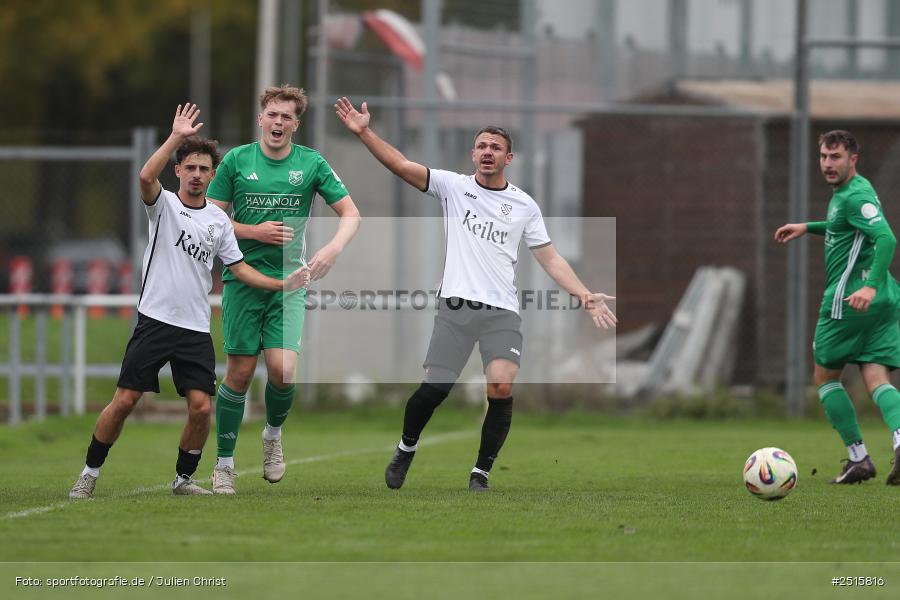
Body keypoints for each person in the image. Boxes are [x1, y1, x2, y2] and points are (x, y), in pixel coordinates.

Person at [334, 96, 617, 491]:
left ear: (508, 158)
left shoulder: (524, 205)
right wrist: (365, 133)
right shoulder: (453, 187)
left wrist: (584, 295)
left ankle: (480, 473)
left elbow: (551, 258)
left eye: (495, 147)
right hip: (455, 307)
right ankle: (406, 447)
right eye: (482, 146)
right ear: (472, 154)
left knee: (500, 386)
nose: (487, 152)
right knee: (435, 389)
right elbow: (401, 165)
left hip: (502, 312)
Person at [68, 104, 310, 499]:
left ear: (213, 176)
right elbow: (145, 176)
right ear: (178, 171)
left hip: (195, 328)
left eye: (204, 169)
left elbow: (240, 269)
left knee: (200, 408)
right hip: (155, 320)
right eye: (190, 167)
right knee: (125, 400)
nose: (197, 174)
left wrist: (282, 283)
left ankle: (183, 479)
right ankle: (89, 473)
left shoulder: (218, 221)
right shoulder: (163, 205)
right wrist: (176, 137)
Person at [206, 85, 360, 494]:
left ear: (296, 124)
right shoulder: (237, 161)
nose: (278, 122)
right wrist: (253, 231)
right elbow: (210, 219)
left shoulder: (311, 163)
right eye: (272, 114)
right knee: (240, 373)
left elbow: (351, 214)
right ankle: (223, 465)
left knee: (283, 370)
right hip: (242, 279)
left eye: (286, 117)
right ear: (261, 118)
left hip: (290, 282)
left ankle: (272, 437)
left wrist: (332, 249)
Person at [775, 129, 900, 485]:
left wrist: (868, 287)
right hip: (885, 301)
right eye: (824, 156)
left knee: (826, 378)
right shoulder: (854, 191)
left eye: (836, 157)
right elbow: (847, 226)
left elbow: (886, 238)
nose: (828, 164)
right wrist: (808, 226)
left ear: (852, 159)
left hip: (850, 300)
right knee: (876, 377)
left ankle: (859, 458)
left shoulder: (853, 195)